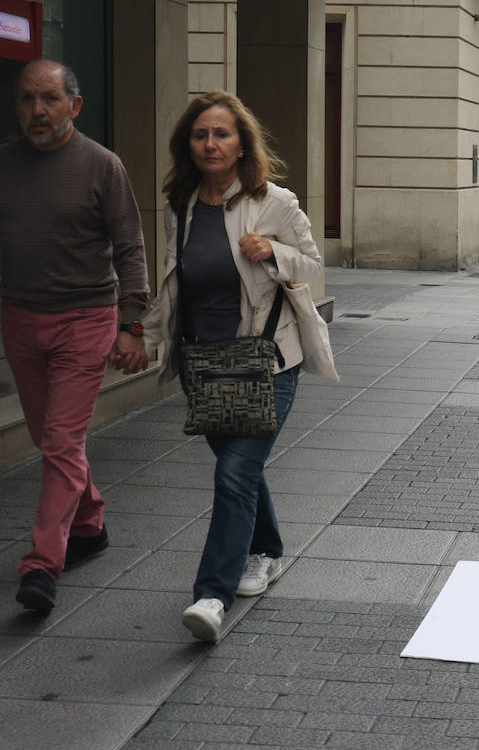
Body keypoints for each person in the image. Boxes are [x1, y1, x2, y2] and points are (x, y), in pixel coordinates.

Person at [120, 90, 338, 642]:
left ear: (242, 145)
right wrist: (143, 337)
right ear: (188, 146)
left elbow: (313, 270)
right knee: (241, 472)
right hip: (204, 365)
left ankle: (211, 596)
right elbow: (174, 288)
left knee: (233, 472)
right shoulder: (181, 207)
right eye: (200, 135)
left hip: (267, 362)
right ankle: (266, 549)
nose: (211, 143)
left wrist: (274, 253)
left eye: (221, 134)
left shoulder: (275, 203)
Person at [0, 60, 149, 613]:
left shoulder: (102, 166)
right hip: (19, 318)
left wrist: (132, 324)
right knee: (48, 436)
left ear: (75, 105)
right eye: (26, 99)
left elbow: (131, 249)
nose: (37, 110)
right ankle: (89, 523)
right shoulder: (5, 165)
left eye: (49, 99)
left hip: (86, 320)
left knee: (61, 441)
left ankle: (41, 565)